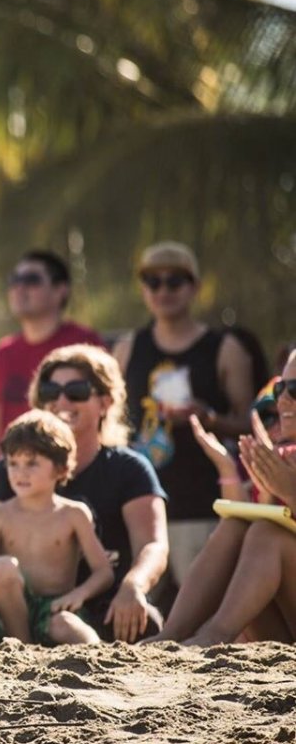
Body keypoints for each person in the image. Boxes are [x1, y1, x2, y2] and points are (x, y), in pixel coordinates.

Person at [0, 344, 170, 642]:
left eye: (76, 391)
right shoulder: (8, 472)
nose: (61, 400)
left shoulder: (129, 468)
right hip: (14, 607)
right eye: (50, 392)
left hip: (98, 605)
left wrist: (133, 586)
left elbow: (153, 546)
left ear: (105, 401)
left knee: (144, 622)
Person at [113, 242, 257, 588]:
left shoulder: (224, 348)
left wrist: (207, 418)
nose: (163, 290)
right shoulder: (127, 347)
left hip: (204, 505)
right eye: (153, 281)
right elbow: (111, 421)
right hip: (141, 510)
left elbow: (252, 426)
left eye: (174, 281)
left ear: (193, 286)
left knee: (200, 622)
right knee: (141, 630)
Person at [153, 351, 296, 644]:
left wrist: (289, 492)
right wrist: (230, 470)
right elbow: (247, 515)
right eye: (279, 388)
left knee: (266, 533)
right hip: (281, 633)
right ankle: (171, 634)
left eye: (294, 391)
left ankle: (215, 633)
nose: (282, 401)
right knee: (237, 526)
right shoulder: (282, 455)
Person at [0, 410, 115, 644]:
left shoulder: (73, 514)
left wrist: (78, 595)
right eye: (13, 463)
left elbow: (103, 572)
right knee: (0, 567)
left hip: (55, 609)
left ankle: (106, 662)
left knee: (70, 627)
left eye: (32, 463)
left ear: (61, 469)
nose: (20, 472)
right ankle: (22, 647)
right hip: (9, 616)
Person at [0, 250, 103, 471]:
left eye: (31, 280)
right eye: (14, 280)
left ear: (60, 290)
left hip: (71, 472)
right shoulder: (3, 352)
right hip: (16, 479)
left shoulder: (84, 342)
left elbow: (103, 412)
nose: (19, 288)